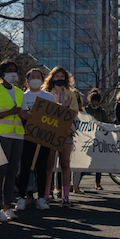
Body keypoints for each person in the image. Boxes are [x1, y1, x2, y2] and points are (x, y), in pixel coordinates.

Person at [0, 60, 25, 222]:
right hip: (1, 135)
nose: (13, 73)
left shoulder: (19, 92)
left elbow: (23, 112)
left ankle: (7, 208)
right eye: (9, 70)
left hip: (17, 135)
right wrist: (10, 112)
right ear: (1, 74)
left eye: (15, 70)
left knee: (12, 173)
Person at [42, 67, 82, 206]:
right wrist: (62, 107)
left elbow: (74, 113)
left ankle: (65, 196)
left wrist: (65, 124)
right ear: (52, 78)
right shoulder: (47, 94)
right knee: (49, 164)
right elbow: (47, 113)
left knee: (65, 163)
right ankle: (46, 194)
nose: (59, 78)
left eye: (62, 76)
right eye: (57, 76)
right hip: (51, 132)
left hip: (66, 132)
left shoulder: (70, 94)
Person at [17, 67, 52, 210]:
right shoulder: (22, 96)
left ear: (42, 80)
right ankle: (21, 197)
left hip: (44, 139)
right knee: (25, 168)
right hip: (26, 138)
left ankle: (42, 198)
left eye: (39, 76)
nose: (36, 79)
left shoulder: (49, 97)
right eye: (33, 77)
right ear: (27, 80)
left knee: (41, 168)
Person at [81, 88, 110, 193]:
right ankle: (76, 183)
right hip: (86, 140)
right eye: (93, 101)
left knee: (98, 162)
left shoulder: (101, 112)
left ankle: (98, 182)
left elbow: (107, 123)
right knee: (83, 162)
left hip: (98, 140)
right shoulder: (85, 110)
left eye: (97, 102)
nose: (95, 103)